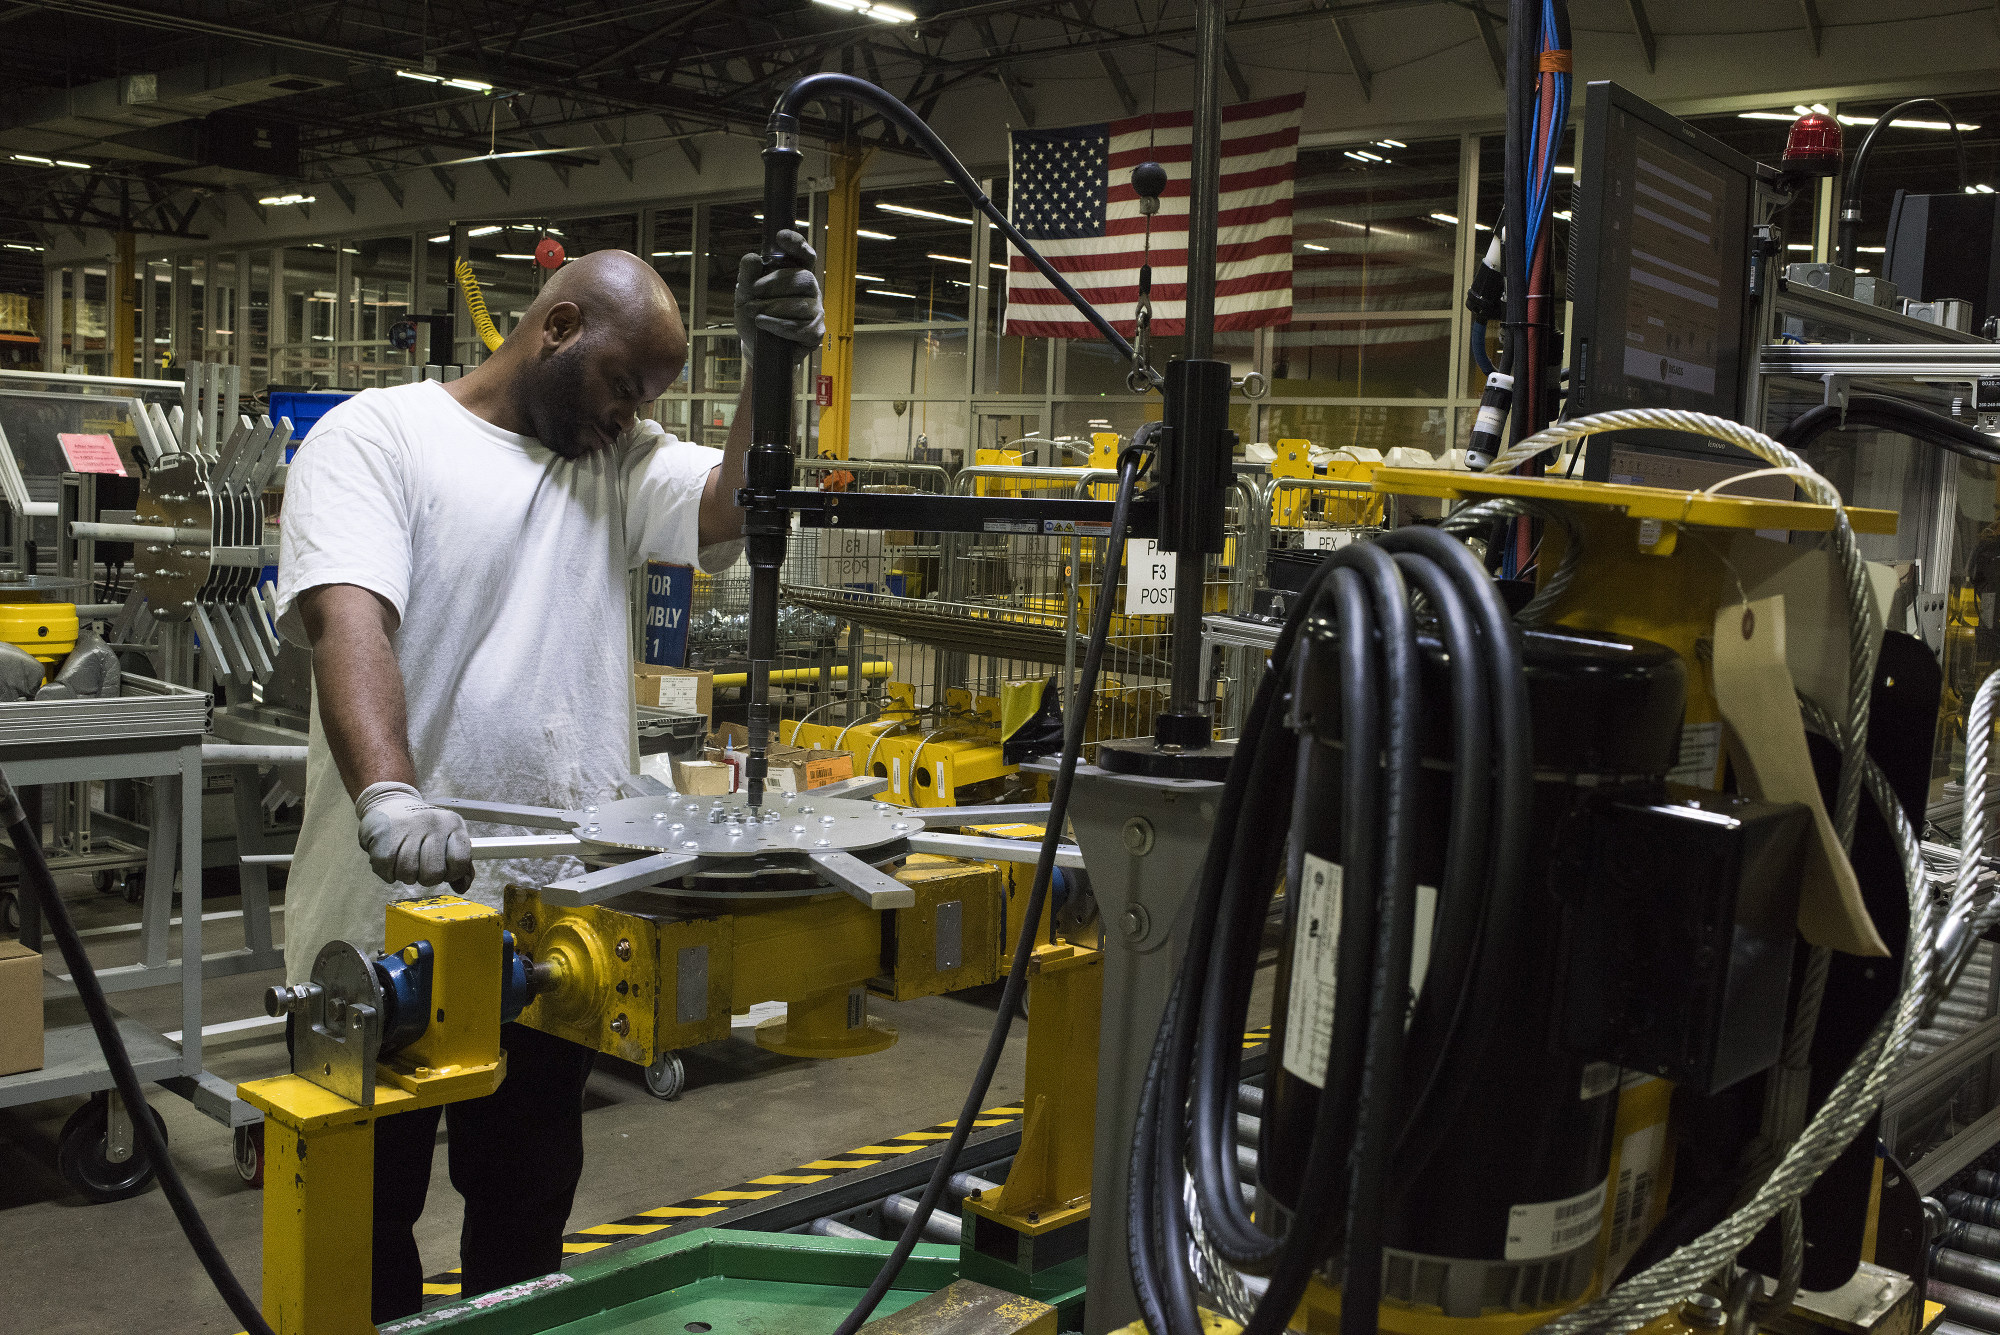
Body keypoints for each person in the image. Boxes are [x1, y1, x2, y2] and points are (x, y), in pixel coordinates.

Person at [273, 234, 823, 1321]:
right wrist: (391, 793)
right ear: (557, 327)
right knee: (361, 1212)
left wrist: (774, 362)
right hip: (382, 916)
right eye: (625, 385)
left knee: (525, 1204)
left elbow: (731, 500)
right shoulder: (378, 437)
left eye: (648, 397)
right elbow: (350, 621)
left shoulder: (613, 464)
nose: (630, 414)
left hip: (553, 922)